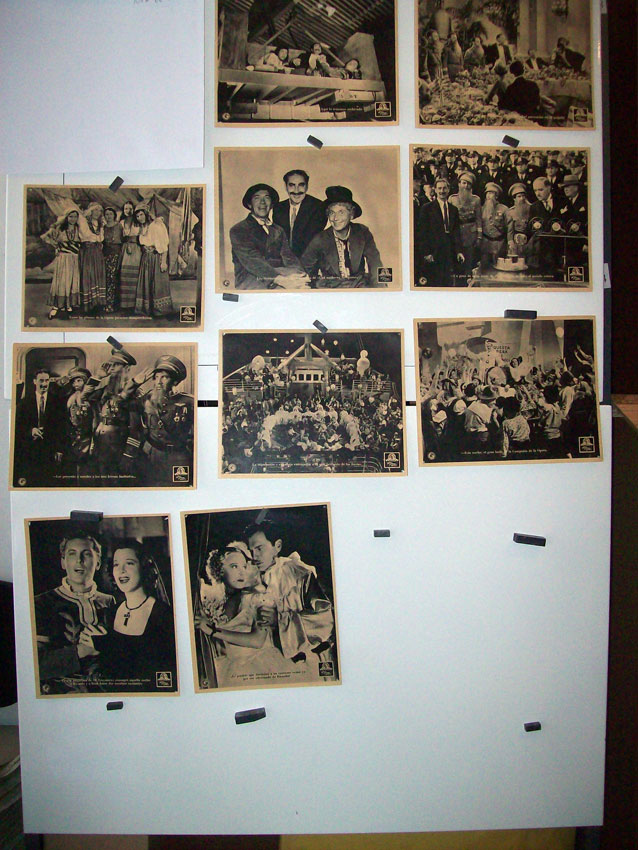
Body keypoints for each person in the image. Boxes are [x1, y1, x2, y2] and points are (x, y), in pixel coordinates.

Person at [194, 541, 298, 688]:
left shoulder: (258, 598)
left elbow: (257, 640)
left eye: (244, 566)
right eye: (234, 566)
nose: (241, 572)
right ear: (219, 570)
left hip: (257, 666)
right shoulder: (213, 602)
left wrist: (213, 631)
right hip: (223, 666)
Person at [81, 540, 177, 692]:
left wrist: (105, 645)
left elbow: (160, 669)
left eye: (129, 563)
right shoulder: (111, 612)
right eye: (116, 564)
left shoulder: (162, 614)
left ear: (144, 567)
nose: (121, 570)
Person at [244, 520, 335, 678]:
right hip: (267, 664)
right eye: (251, 551)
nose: (254, 556)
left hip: (307, 662)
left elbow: (325, 621)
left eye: (259, 548)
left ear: (277, 546)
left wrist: (280, 620)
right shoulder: (248, 579)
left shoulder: (299, 574)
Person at [33, 532, 115, 694]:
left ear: (98, 562)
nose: (79, 560)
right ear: (63, 562)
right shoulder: (42, 603)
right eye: (72, 554)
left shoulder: (110, 601)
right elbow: (35, 665)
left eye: (86, 554)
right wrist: (83, 650)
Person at [229, 183, 309, 289]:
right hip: (252, 280)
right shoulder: (239, 229)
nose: (262, 202)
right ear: (250, 204)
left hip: (281, 277)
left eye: (267, 198)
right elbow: (253, 261)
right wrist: (281, 280)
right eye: (257, 198)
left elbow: (289, 257)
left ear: (271, 204)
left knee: (304, 288)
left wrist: (300, 274)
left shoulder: (278, 230)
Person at [301, 186, 383, 287]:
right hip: (330, 288)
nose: (335, 218)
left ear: (351, 214)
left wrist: (381, 289)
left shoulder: (362, 232)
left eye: (341, 212)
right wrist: (315, 286)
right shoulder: (320, 239)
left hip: (359, 286)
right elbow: (304, 269)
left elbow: (375, 262)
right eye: (332, 213)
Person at [132, 355, 194, 485]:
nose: (159, 382)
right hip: (151, 456)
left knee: (178, 490)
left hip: (177, 458)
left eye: (164, 377)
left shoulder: (189, 401)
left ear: (175, 381)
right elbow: (123, 403)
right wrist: (135, 383)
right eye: (156, 377)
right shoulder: (147, 399)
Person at [81, 348, 139, 483]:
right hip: (101, 445)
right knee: (103, 483)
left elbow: (136, 429)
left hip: (119, 448)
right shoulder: (105, 390)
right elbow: (84, 397)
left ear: (127, 368)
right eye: (111, 364)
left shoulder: (133, 393)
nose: (111, 368)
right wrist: (98, 377)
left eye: (116, 365)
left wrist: (128, 455)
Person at [14, 367, 66, 486]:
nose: (44, 384)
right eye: (41, 380)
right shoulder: (24, 402)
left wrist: (59, 449)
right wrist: (31, 430)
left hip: (50, 449)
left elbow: (62, 428)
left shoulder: (57, 402)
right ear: (34, 381)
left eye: (47, 380)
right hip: (29, 449)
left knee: (48, 481)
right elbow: (18, 425)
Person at [415, 177, 464, 287]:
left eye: (444, 188)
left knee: (447, 283)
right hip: (433, 253)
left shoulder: (453, 210)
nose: (442, 191)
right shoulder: (427, 208)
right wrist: (426, 253)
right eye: (440, 188)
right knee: (434, 283)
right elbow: (422, 233)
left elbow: (456, 232)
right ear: (435, 190)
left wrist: (459, 251)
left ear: (449, 189)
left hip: (449, 253)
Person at [272, 169, 327, 259]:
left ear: (307, 186)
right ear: (286, 187)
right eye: (292, 185)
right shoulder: (279, 208)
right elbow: (278, 240)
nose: (296, 190)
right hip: (283, 260)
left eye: (301, 185)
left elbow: (309, 242)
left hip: (308, 260)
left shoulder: (318, 207)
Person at [40, 208, 81, 319]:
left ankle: (68, 305)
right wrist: (56, 246)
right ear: (66, 217)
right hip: (63, 258)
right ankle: (56, 306)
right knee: (62, 282)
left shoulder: (79, 229)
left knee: (72, 281)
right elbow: (44, 237)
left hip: (75, 258)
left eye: (75, 217)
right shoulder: (60, 229)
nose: (73, 219)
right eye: (71, 216)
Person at [134, 204, 174, 316]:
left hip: (157, 257)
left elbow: (164, 245)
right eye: (137, 216)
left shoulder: (156, 225)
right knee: (147, 282)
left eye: (141, 214)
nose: (140, 218)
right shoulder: (142, 228)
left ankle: (160, 310)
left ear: (146, 214)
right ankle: (147, 308)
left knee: (158, 282)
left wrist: (163, 262)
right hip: (146, 258)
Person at [449, 171, 482, 283]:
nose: (466, 186)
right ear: (459, 184)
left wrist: (479, 236)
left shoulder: (476, 200)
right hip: (457, 233)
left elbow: (479, 219)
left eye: (468, 184)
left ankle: (468, 283)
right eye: (463, 183)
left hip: (470, 235)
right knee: (456, 261)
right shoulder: (452, 199)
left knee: (469, 261)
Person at [64, 367, 95, 482]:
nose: (75, 384)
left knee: (85, 469)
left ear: (85, 381)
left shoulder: (91, 398)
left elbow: (95, 420)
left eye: (79, 380)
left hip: (87, 438)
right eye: (73, 381)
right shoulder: (70, 398)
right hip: (73, 438)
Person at [78, 202, 106, 314]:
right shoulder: (84, 222)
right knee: (89, 274)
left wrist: (98, 242)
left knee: (98, 274)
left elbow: (101, 238)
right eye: (95, 210)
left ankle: (98, 302)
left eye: (99, 211)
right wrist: (95, 240)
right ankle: (89, 303)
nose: (97, 213)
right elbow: (85, 235)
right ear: (90, 211)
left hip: (97, 251)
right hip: (88, 251)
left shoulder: (100, 224)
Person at [119, 200, 141, 312]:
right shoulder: (121, 222)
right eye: (126, 208)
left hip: (136, 249)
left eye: (130, 208)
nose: (128, 210)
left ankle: (133, 304)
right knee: (124, 275)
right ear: (123, 210)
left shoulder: (138, 221)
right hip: (124, 249)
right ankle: (124, 304)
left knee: (135, 275)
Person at [480, 182, 508, 269]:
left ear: (496, 196)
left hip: (499, 243)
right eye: (487, 193)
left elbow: (508, 228)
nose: (488, 196)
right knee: (485, 268)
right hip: (486, 244)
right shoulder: (481, 209)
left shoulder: (504, 209)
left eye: (491, 193)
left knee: (500, 268)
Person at [102, 207, 122, 313]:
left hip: (116, 253)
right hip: (105, 254)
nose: (108, 216)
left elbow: (123, 240)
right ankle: (106, 303)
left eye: (110, 214)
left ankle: (113, 304)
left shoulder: (119, 226)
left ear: (114, 215)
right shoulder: (103, 227)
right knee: (107, 278)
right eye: (106, 214)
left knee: (113, 278)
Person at [505, 183, 532, 260]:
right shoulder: (511, 212)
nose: (522, 198)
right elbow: (510, 230)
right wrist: (510, 242)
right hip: (516, 241)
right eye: (519, 196)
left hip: (529, 241)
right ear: (514, 199)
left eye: (523, 196)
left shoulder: (531, 208)